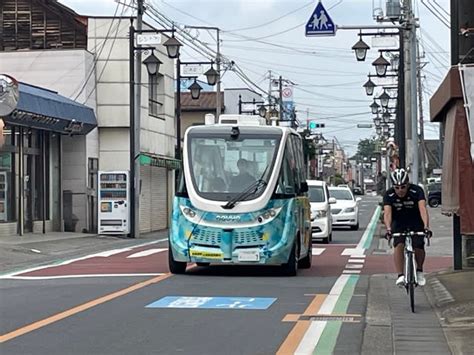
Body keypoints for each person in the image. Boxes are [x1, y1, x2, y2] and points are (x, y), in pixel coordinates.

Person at [383, 168, 432, 287]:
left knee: (418, 245)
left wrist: (426, 227)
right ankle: (400, 275)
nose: (400, 190)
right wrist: (388, 229)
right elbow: (387, 213)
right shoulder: (389, 194)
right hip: (398, 222)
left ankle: (419, 271)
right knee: (399, 245)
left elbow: (422, 209)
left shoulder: (417, 191)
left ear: (408, 184)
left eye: (403, 187)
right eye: (397, 187)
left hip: (415, 221)